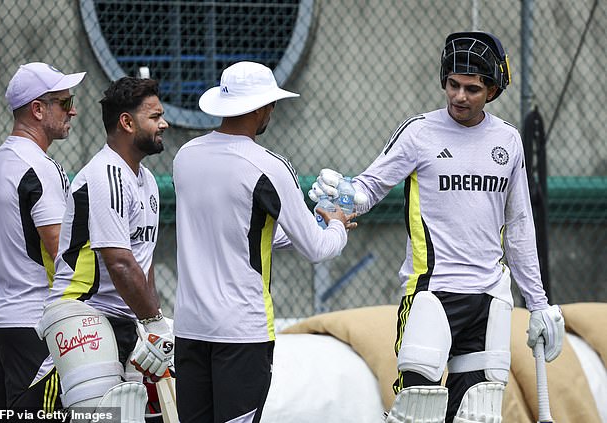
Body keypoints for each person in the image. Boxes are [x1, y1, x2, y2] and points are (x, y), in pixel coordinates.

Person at [309, 32, 565, 422]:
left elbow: (518, 227)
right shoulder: (419, 133)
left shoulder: (509, 141)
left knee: (478, 414)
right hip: (431, 293)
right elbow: (370, 187)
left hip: (489, 298)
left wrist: (539, 303)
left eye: (473, 89)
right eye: (453, 85)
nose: (460, 96)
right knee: (418, 410)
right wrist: (343, 194)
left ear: (493, 90)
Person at [172, 61, 357, 423]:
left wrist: (316, 225)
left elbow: (244, 233)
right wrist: (334, 226)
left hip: (189, 327)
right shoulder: (267, 165)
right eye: (271, 103)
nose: (273, 110)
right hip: (242, 330)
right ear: (259, 108)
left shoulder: (186, 156)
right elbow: (317, 249)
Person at [35, 76, 172, 420]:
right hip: (81, 312)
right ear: (127, 122)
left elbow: (143, 263)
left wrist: (152, 325)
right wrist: (155, 322)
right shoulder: (105, 174)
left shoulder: (148, 180)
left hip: (125, 319)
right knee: (104, 415)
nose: (164, 124)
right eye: (154, 116)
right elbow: (121, 264)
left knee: (143, 412)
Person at [0, 62, 85, 416]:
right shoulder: (38, 167)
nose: (73, 110)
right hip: (31, 324)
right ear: (38, 109)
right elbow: (61, 251)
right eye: (65, 102)